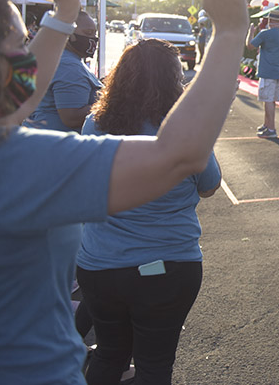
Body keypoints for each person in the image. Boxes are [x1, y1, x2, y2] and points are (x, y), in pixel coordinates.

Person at [0, 0, 248, 385]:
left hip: (96, 277)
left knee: (110, 355)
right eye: (18, 44)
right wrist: (229, 32)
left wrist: (66, 13)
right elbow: (179, 155)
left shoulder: (6, 143)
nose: (28, 57)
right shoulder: (11, 164)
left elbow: (15, 93)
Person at [77, 38, 221, 384]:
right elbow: (209, 185)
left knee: (109, 356)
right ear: (174, 81)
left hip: (100, 264)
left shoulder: (95, 124)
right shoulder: (188, 129)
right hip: (169, 264)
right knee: (154, 366)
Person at [26, 10, 102, 132]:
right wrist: (109, 103)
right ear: (68, 33)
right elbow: (72, 117)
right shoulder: (68, 65)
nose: (93, 38)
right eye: (88, 33)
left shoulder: (61, 57)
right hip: (54, 144)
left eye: (94, 33)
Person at [246, 9, 279, 138]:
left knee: (268, 100)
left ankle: (271, 129)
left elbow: (250, 46)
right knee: (271, 100)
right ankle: (267, 125)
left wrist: (250, 32)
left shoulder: (265, 33)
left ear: (270, 21)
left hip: (268, 72)